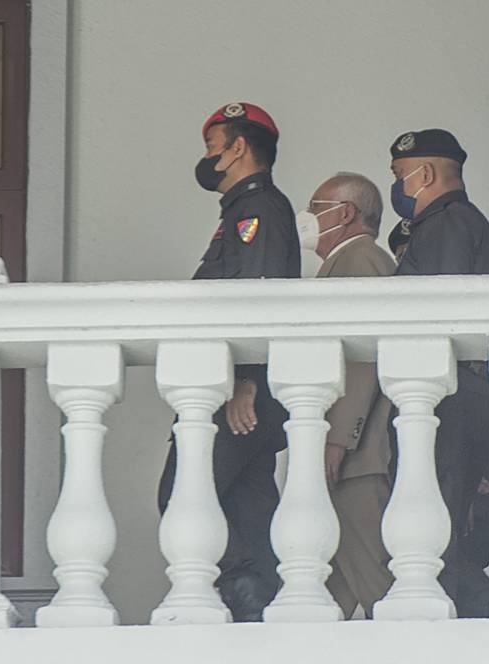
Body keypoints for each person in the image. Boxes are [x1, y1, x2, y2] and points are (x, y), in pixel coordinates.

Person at [157, 102, 299, 622]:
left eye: (213, 145)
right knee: (247, 510)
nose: (208, 156)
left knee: (182, 496)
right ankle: (252, 617)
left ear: (238, 148)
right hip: (236, 393)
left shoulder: (256, 209)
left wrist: (245, 382)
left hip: (236, 397)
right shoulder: (242, 210)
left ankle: (244, 602)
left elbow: (258, 301)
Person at [387, 128, 489, 617]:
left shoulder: (447, 223)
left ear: (426, 173)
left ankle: (477, 616)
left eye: (400, 176)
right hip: (459, 394)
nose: (399, 186)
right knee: (444, 519)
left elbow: (433, 313)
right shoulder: (454, 222)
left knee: (440, 525)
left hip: (447, 396)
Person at [295, 172, 397, 618]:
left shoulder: (359, 257)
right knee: (329, 588)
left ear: (346, 213)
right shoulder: (346, 261)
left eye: (317, 208)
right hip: (346, 453)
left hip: (357, 455)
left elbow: (362, 357)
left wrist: (338, 437)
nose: (309, 217)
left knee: (375, 580)